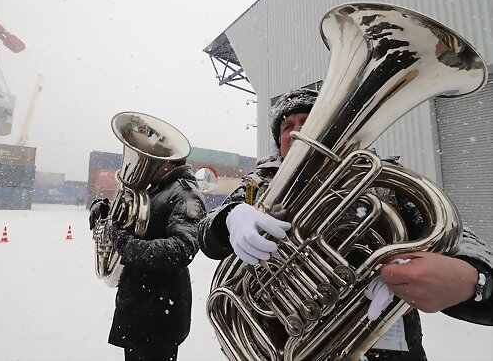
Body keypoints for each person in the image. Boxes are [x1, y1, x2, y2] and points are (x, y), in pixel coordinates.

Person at [198, 88, 493, 360]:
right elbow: (206, 232)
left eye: (308, 121)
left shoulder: (380, 178)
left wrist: (470, 277)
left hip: (381, 345)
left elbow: (459, 238)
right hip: (281, 344)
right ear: (279, 143)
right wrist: (229, 218)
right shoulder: (257, 185)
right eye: (287, 126)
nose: (298, 130)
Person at [89, 159, 207, 361]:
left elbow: (181, 249)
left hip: (158, 314)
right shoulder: (155, 190)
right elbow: (140, 222)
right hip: (141, 307)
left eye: (150, 159)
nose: (142, 164)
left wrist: (125, 244)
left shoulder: (185, 194)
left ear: (168, 161)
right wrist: (106, 210)